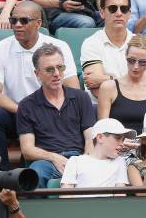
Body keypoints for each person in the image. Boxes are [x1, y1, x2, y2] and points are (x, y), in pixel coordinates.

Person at [0, 1, 78, 171]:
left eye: (24, 21)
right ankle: (0, 175)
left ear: (38, 23)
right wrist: (24, 110)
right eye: (14, 20)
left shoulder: (58, 47)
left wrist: (47, 110)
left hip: (50, 111)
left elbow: (73, 90)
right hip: (16, 112)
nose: (17, 25)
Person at [17, 44, 95, 188]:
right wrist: (53, 157)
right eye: (49, 69)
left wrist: (85, 161)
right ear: (37, 74)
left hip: (79, 157)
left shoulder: (81, 98)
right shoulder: (26, 105)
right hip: (47, 161)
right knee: (36, 172)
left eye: (60, 67)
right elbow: (27, 150)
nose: (57, 73)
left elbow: (90, 138)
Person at [97, 34, 146, 135]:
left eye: (143, 62)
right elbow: (102, 132)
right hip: (119, 147)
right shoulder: (108, 88)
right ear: (125, 57)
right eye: (131, 60)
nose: (136, 66)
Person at [80, 0, 134, 100]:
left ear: (129, 14)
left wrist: (108, 79)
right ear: (102, 13)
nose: (119, 13)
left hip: (137, 107)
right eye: (113, 8)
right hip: (102, 109)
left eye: (124, 9)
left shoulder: (140, 43)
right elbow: (98, 91)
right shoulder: (91, 43)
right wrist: (132, 84)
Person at [60, 118, 133, 190]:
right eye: (117, 138)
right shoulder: (75, 161)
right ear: (100, 137)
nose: (122, 144)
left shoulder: (120, 161)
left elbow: (120, 194)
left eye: (122, 140)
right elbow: (66, 194)